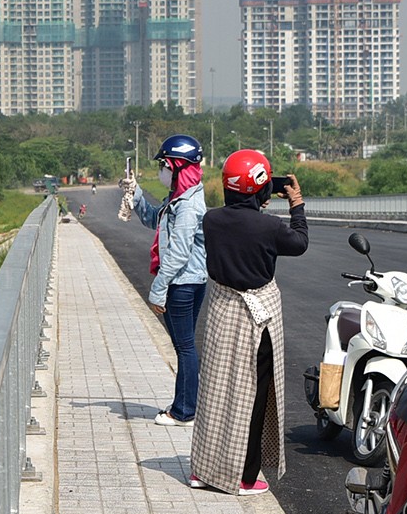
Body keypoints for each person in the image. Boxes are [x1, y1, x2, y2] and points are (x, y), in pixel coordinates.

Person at [187, 150, 307, 495]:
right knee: (253, 396)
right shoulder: (269, 226)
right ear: (259, 187)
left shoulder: (211, 220)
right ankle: (244, 476)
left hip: (222, 311)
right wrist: (296, 204)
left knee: (214, 390)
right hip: (257, 316)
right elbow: (299, 243)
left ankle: (204, 470)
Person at [122, 134, 209, 426]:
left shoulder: (188, 207)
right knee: (183, 346)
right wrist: (136, 195)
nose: (163, 171)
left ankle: (184, 411)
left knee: (185, 347)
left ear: (178, 167)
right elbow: (153, 220)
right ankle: (184, 405)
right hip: (184, 282)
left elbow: (179, 253)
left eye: (165, 166)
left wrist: (158, 289)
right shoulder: (179, 198)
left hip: (183, 284)